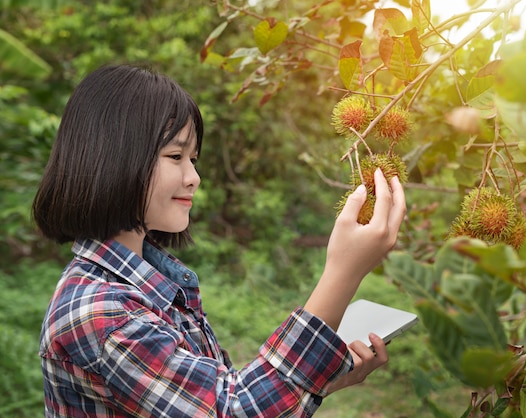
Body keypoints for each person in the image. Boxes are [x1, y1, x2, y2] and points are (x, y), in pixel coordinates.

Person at [32, 64, 406, 417]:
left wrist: (325, 377)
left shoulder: (151, 285)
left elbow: (216, 395)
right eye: (175, 155)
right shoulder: (101, 314)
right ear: (112, 157)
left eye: (193, 158)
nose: (194, 177)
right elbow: (235, 409)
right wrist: (342, 272)